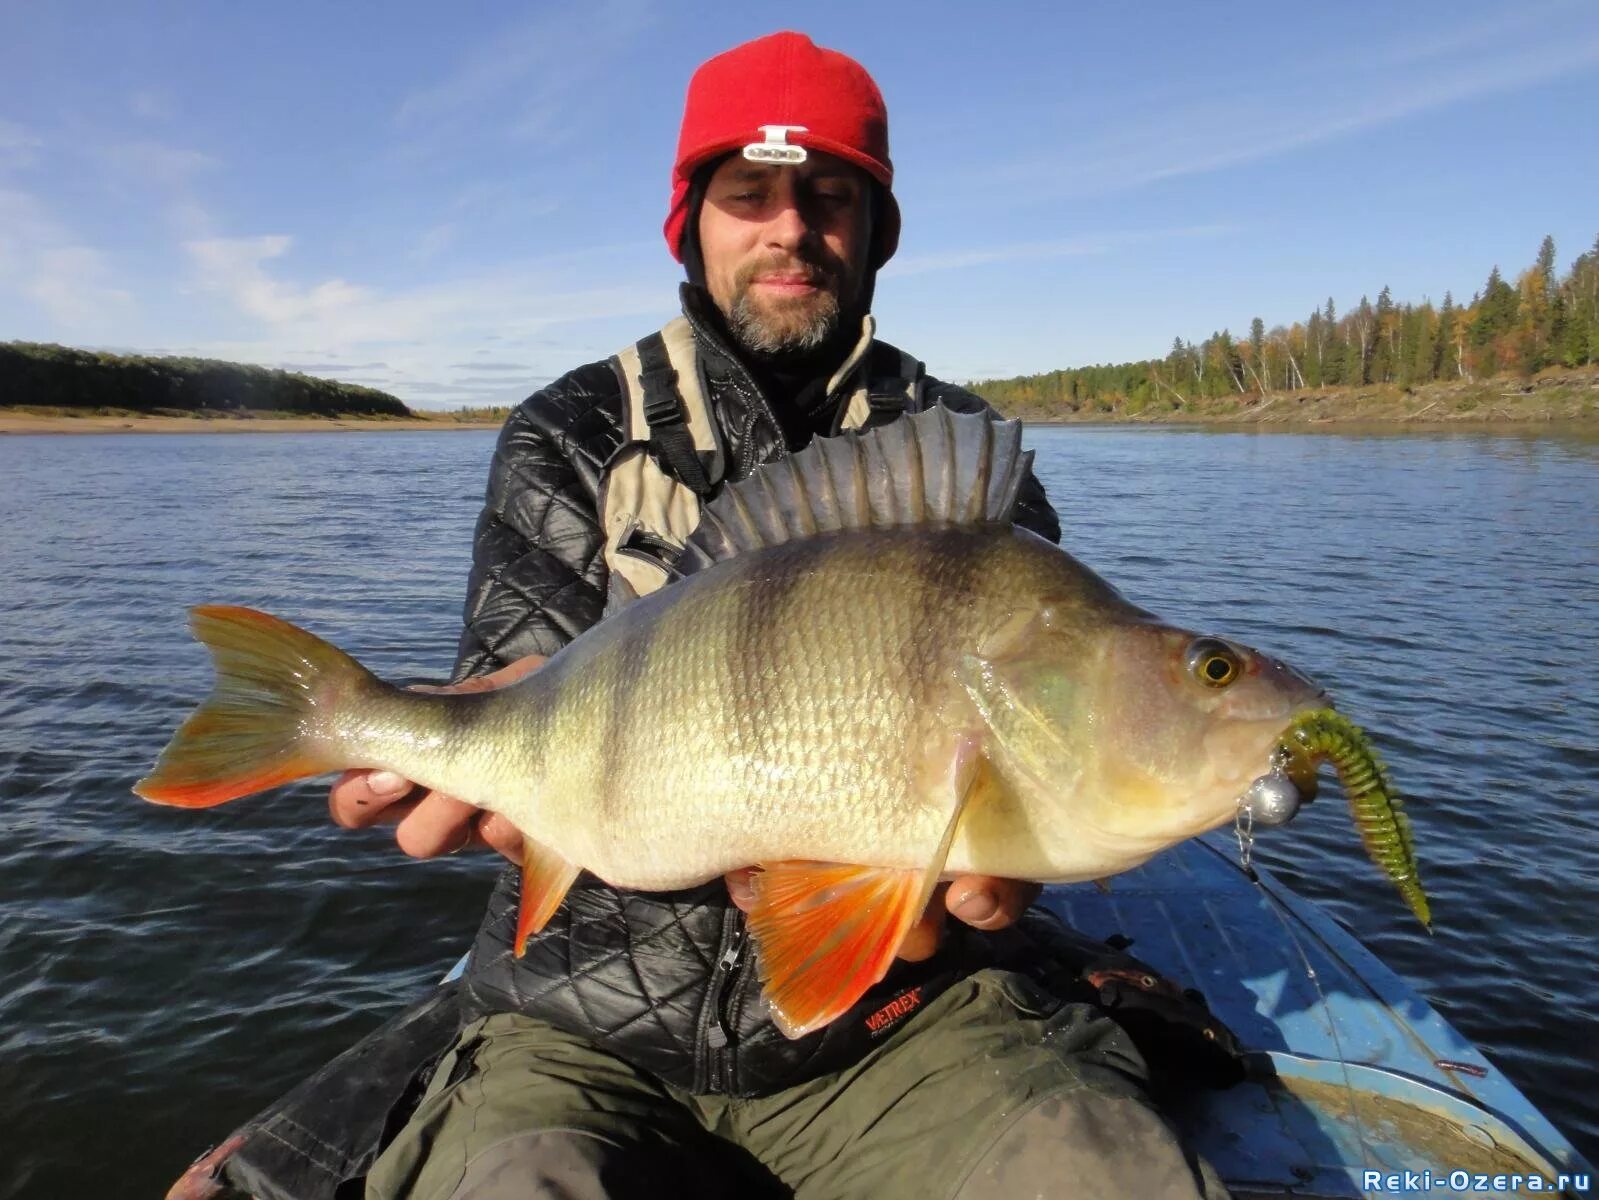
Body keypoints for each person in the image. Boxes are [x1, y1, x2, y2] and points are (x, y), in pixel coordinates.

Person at [327, 31, 1231, 1200]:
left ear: (874, 231)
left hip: (901, 1027)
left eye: (830, 195)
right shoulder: (570, 432)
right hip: (575, 1023)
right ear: (692, 221)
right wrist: (464, 752)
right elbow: (521, 684)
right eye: (749, 194)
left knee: (1097, 1172)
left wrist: (1012, 871)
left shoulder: (972, 468)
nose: (790, 228)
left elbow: (1041, 767)